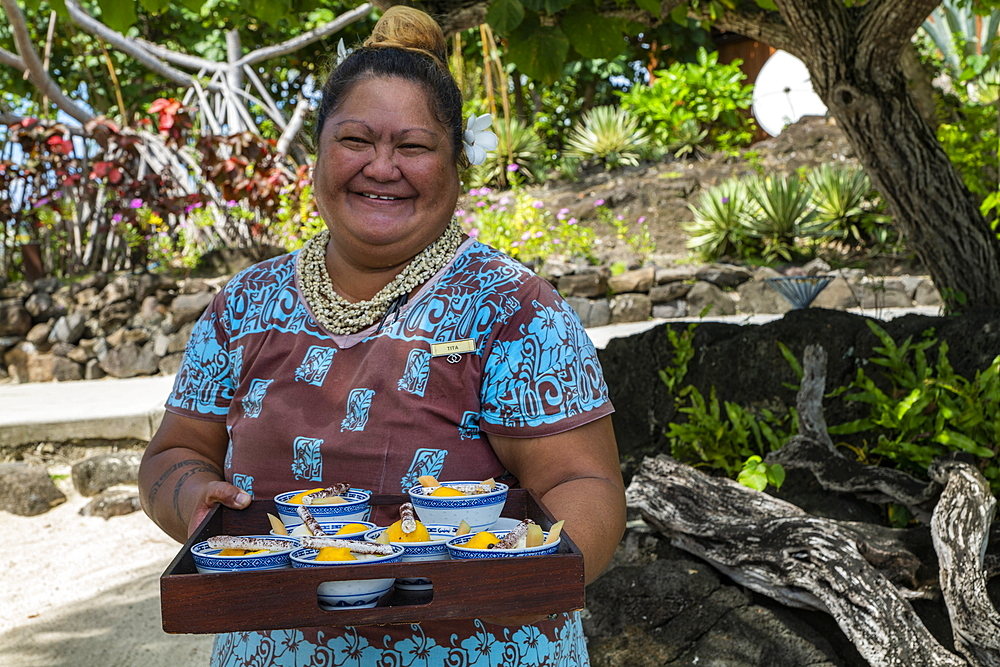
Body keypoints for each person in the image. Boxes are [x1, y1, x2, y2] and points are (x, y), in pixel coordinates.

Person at [138, 7, 626, 666]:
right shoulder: (243, 308)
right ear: (317, 155)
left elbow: (585, 483)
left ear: (458, 165)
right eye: (356, 140)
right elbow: (174, 454)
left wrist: (524, 572)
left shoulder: (515, 312)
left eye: (414, 146)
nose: (382, 166)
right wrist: (193, 499)